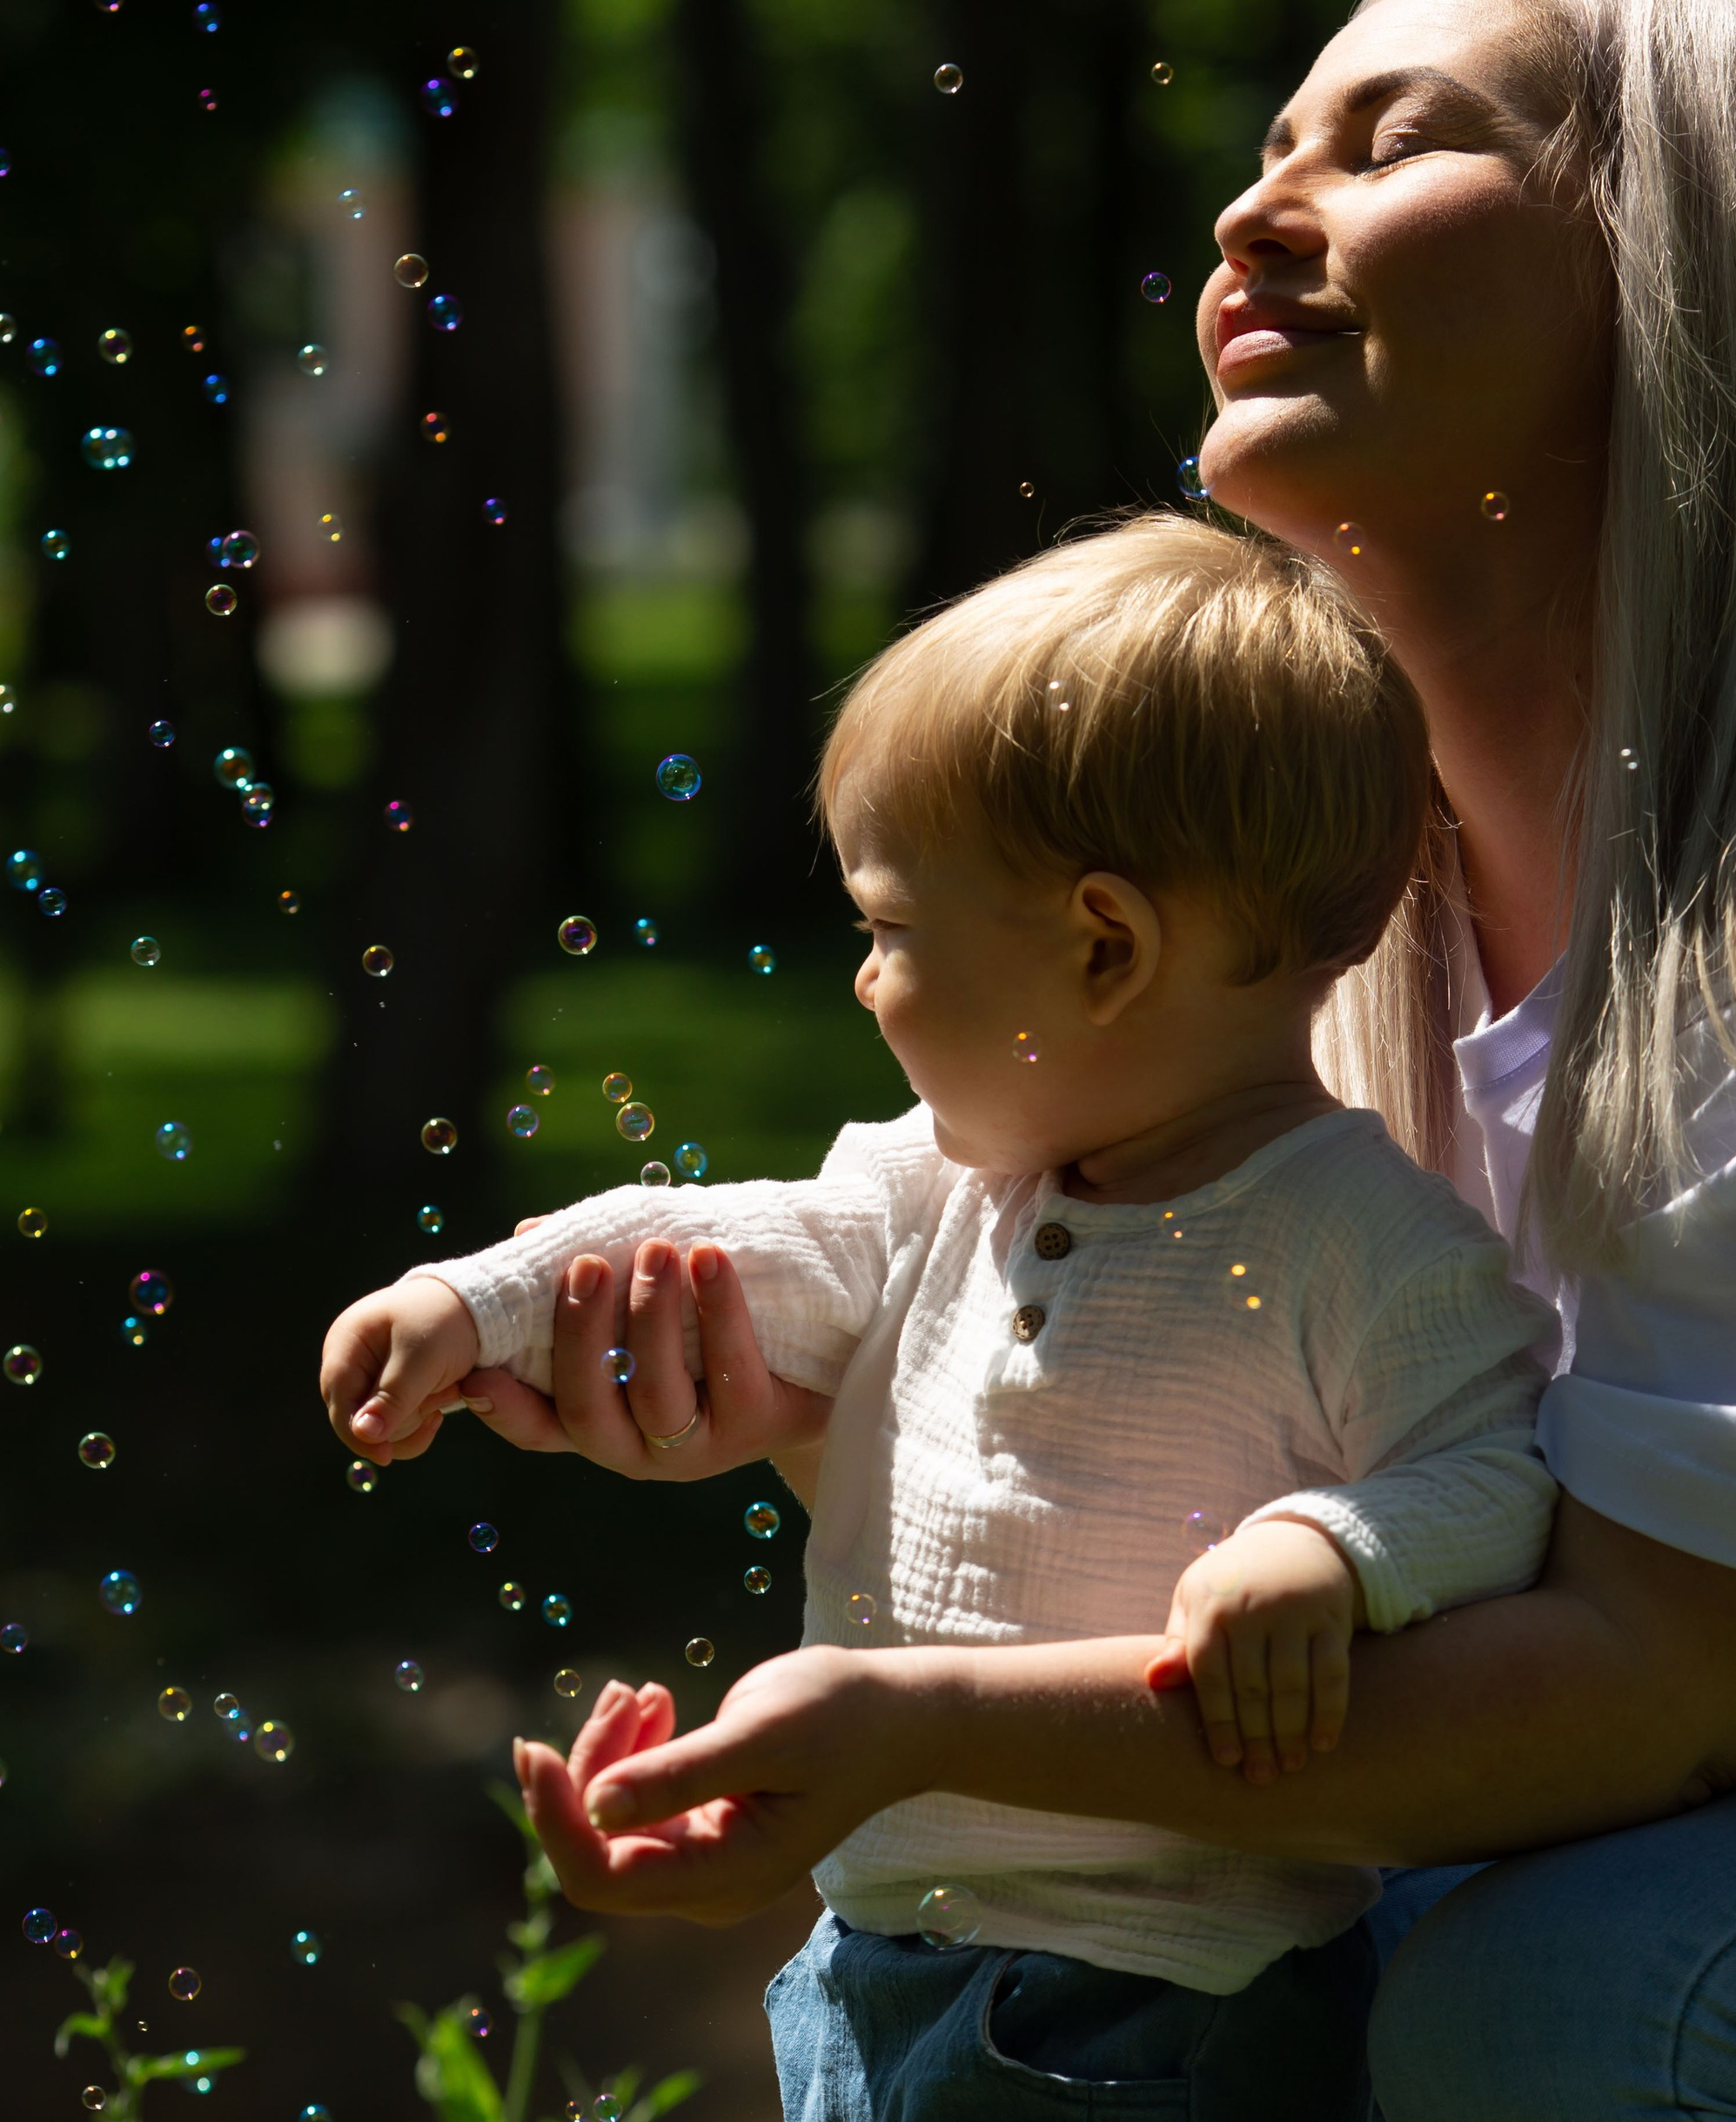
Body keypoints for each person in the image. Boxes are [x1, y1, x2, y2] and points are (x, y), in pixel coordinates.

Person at [338, 0, 1736, 2116]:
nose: (1252, 205)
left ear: (1684, 265)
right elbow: (1305, 1489)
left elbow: (1651, 1688)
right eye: (1268, 141)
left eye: (1388, 142)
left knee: (1570, 1993)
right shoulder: (1344, 874)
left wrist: (912, 1725)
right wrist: (821, 1398)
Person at [318, 516, 1565, 2119]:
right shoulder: (946, 1183)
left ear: (1104, 947)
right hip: (872, 1961)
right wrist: (471, 1300)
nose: (862, 982)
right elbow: (727, 1236)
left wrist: (1332, 1545)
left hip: (1157, 2013)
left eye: (891, 931)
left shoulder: (1364, 1244)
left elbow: (1499, 1477)